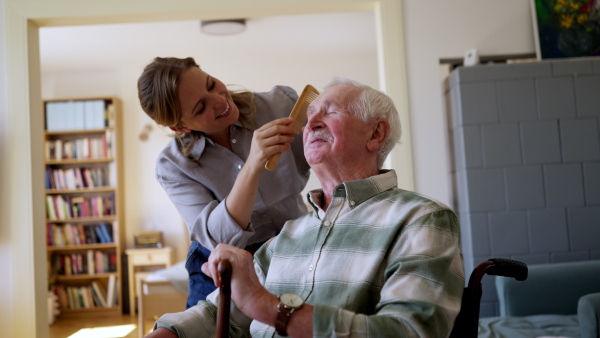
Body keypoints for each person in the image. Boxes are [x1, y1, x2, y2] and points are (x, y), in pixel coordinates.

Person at [145, 76, 465, 338]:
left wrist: (266, 305)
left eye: (330, 112)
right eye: (310, 116)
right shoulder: (289, 236)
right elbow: (217, 311)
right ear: (180, 127)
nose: (310, 124)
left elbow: (408, 332)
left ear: (376, 133)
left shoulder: (420, 220)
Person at [137, 57, 311, 308]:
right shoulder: (172, 167)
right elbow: (219, 238)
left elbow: (329, 154)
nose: (220, 100)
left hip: (294, 242)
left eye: (210, 84)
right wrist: (253, 164)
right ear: (180, 126)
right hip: (219, 262)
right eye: (200, 108)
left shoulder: (279, 104)